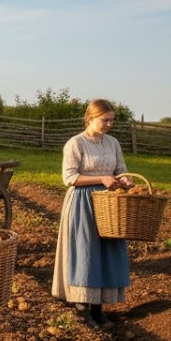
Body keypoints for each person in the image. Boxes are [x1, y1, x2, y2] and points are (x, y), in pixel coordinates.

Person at [51, 99, 132, 326]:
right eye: (104, 120)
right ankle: (82, 305)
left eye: (112, 120)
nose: (109, 124)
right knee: (86, 251)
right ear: (90, 118)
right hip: (83, 202)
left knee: (107, 251)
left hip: (110, 204)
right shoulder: (75, 144)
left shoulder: (113, 143)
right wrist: (101, 179)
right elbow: (69, 178)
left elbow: (121, 169)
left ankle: (99, 308)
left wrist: (125, 179)